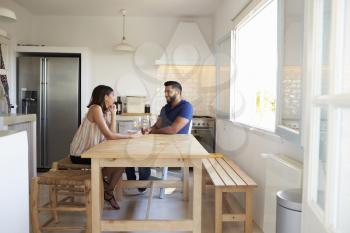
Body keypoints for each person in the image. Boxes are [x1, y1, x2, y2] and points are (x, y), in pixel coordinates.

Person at [70, 85, 138, 209]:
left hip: (94, 152)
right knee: (118, 162)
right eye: (112, 95)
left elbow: (110, 133)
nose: (114, 98)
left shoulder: (103, 111)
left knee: (121, 162)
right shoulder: (95, 109)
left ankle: (106, 189)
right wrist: (128, 136)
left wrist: (113, 114)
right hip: (81, 153)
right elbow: (110, 135)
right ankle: (106, 191)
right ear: (106, 97)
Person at [125, 81, 193, 194]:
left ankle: (142, 182)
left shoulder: (186, 107)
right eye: (165, 91)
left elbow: (173, 130)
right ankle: (132, 180)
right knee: (131, 146)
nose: (166, 94)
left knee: (143, 151)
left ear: (178, 92)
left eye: (168, 91)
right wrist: (149, 129)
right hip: (161, 142)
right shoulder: (165, 108)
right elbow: (157, 125)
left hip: (176, 146)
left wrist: (153, 132)